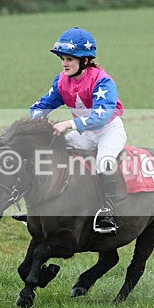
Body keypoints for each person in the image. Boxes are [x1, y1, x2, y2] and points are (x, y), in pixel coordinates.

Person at [18, 27, 126, 234]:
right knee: (50, 151)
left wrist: (67, 124)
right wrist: (41, 122)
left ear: (84, 60)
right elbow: (39, 107)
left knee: (104, 162)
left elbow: (101, 116)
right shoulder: (61, 81)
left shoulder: (102, 81)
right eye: (62, 59)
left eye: (69, 59)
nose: (64, 63)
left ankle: (108, 213)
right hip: (85, 134)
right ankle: (39, 205)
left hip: (109, 131)